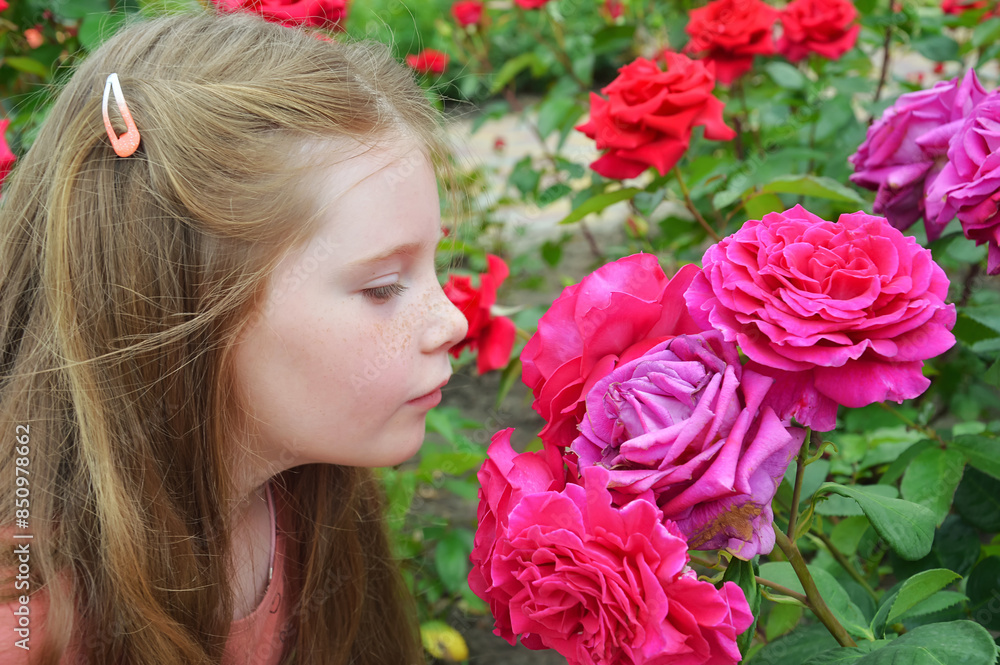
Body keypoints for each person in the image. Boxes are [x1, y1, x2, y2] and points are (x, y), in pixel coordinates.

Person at [0, 9, 469, 665]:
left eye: (435, 267)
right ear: (182, 303)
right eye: (384, 286)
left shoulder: (307, 500)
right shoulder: (34, 622)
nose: (454, 321)